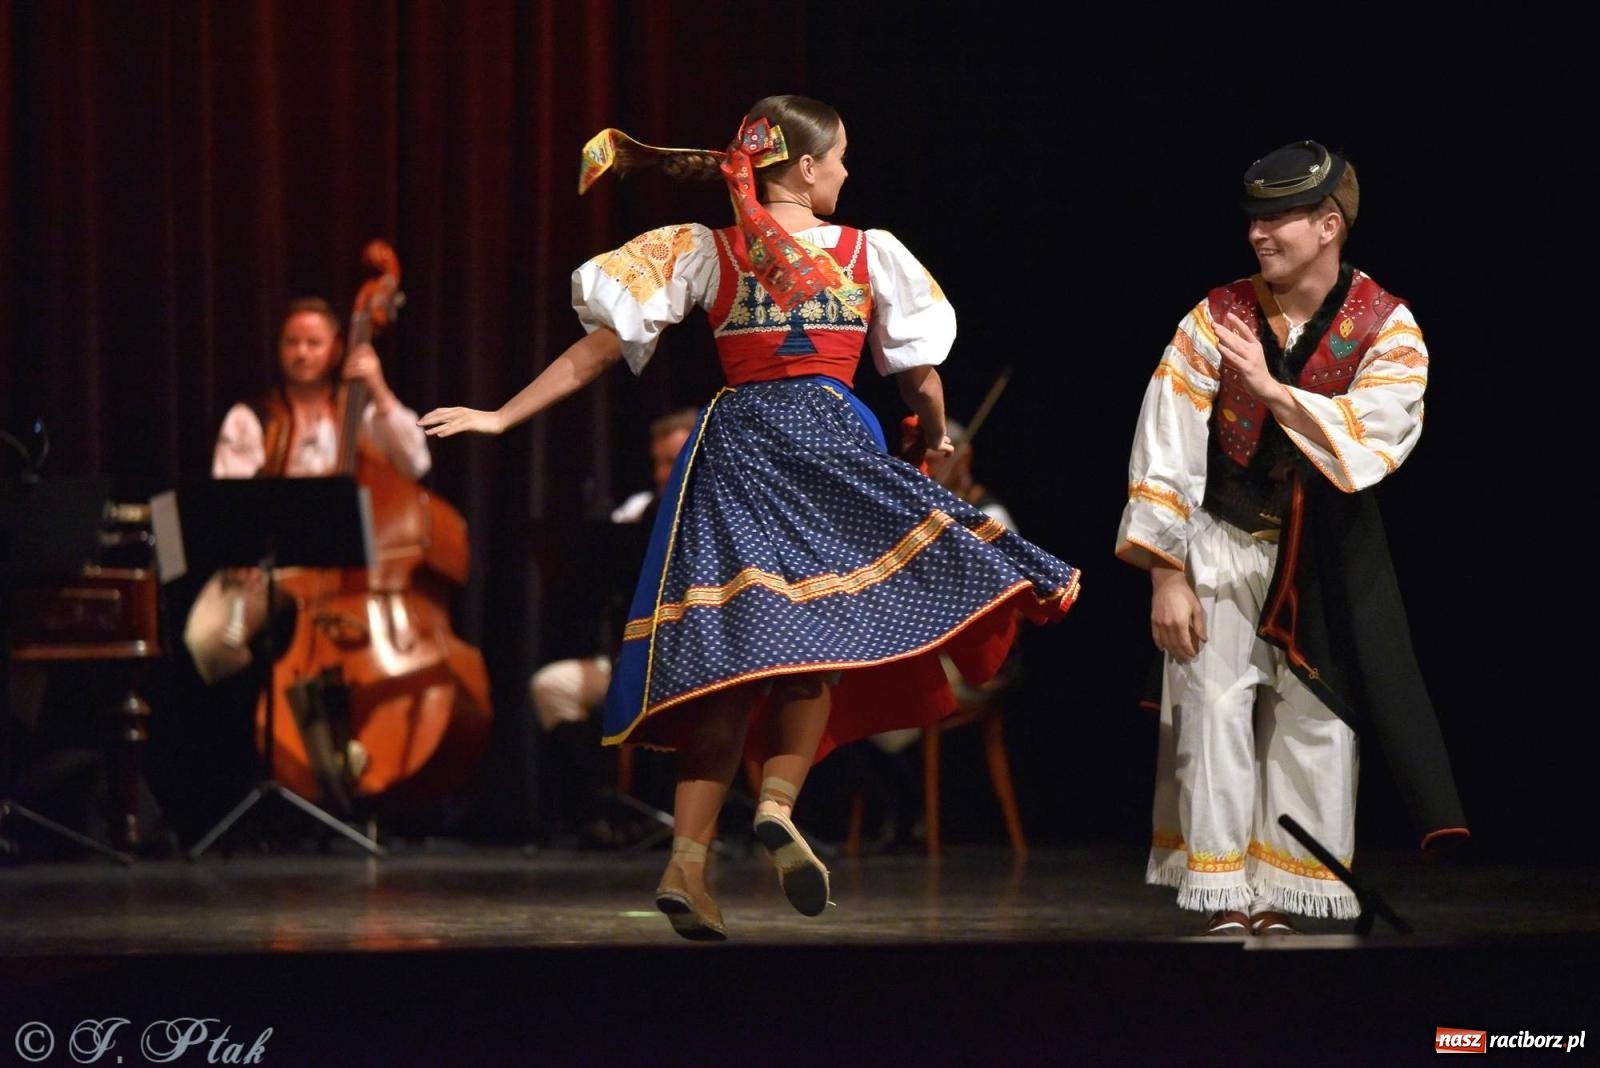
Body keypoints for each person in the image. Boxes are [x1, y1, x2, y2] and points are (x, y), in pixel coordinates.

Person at [422, 94, 1080, 941]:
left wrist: (501, 416)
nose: (846, 170)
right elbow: (918, 373)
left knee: (730, 667)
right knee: (818, 647)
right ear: (805, 167)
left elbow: (600, 349)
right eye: (839, 157)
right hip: (831, 445)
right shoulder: (869, 251)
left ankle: (685, 865)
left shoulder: (705, 249)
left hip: (737, 454)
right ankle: (776, 803)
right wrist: (935, 433)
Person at [1114, 141, 1468, 936]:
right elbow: (1165, 442)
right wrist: (1166, 574)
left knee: (1316, 725)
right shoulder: (1216, 317)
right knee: (1212, 712)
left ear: (1328, 225)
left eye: (1277, 219)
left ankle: (1284, 894)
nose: (1258, 234)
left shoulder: (1387, 325)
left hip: (1324, 556)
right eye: (1254, 219)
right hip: (1222, 539)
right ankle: (1225, 896)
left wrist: (1275, 393)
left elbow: (1376, 435)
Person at [183, 297, 432, 685]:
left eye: (314, 343)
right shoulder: (251, 416)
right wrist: (241, 550)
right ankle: (265, 699)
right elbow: (230, 497)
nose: (301, 353)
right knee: (207, 639)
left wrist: (379, 389)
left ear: (337, 349)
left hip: (349, 572)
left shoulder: (360, 414)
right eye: (292, 342)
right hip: (269, 568)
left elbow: (416, 462)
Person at [529, 407, 696, 849]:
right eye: (658, 462)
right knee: (552, 686)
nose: (662, 474)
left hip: (701, 663)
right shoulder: (637, 511)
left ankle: (675, 814)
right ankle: (605, 810)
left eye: (673, 462)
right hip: (630, 659)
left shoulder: (718, 514)